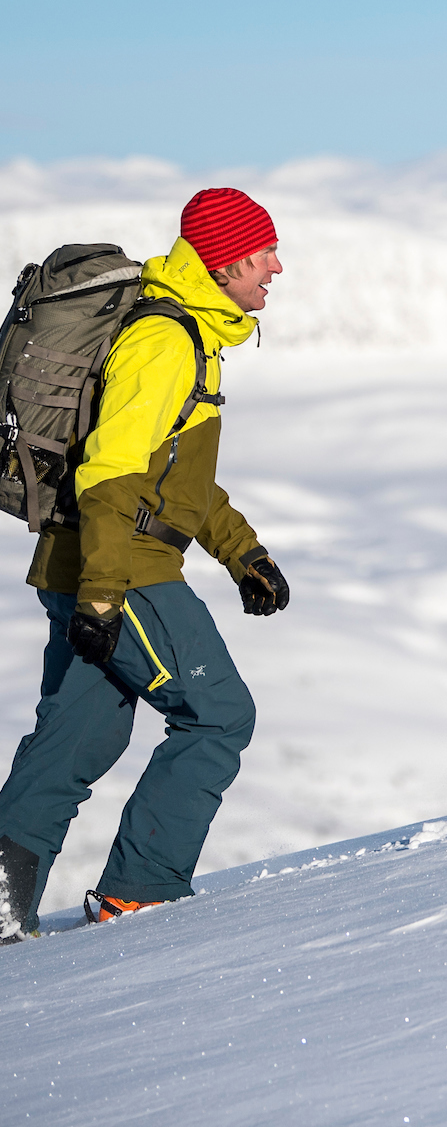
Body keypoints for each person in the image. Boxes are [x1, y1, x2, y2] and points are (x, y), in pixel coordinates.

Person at [0, 188, 291, 941]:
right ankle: (142, 892)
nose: (277, 267)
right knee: (218, 716)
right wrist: (104, 593)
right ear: (225, 263)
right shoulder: (166, 340)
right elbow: (111, 471)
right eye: (263, 254)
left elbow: (181, 479)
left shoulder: (188, 332)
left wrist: (242, 552)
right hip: (123, 569)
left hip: (86, 564)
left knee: (74, 740)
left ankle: (1, 904)